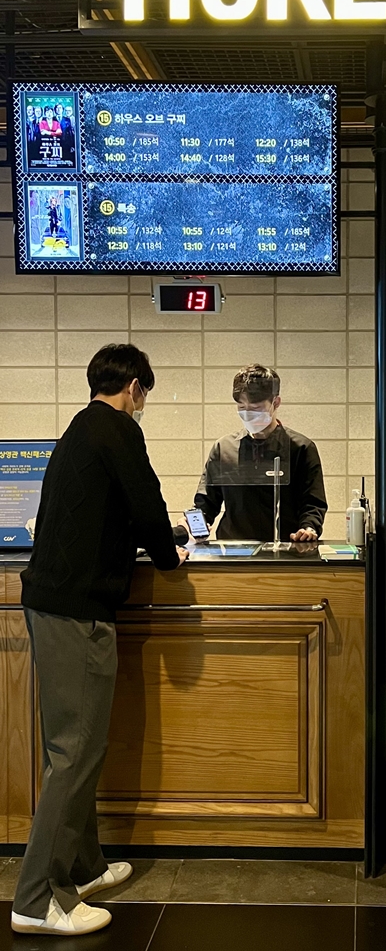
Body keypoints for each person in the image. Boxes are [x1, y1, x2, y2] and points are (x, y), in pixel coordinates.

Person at [11, 344, 189, 937]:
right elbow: (148, 508)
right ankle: (36, 899)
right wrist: (170, 556)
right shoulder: (118, 430)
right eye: (145, 395)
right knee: (75, 752)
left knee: (73, 748)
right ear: (135, 387)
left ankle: (83, 867)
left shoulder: (79, 429)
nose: (142, 405)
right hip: (77, 613)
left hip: (51, 604)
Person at [186, 364, 327, 543]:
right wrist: (194, 524)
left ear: (276, 403)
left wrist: (309, 527)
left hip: (286, 548)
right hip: (234, 549)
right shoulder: (224, 448)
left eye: (255, 408)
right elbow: (206, 502)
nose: (247, 414)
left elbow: (313, 502)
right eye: (241, 407)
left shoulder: (300, 448)